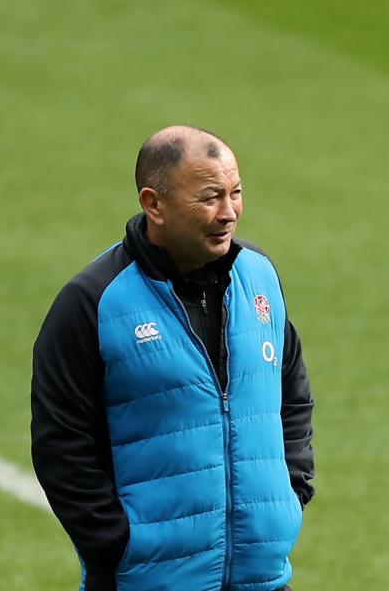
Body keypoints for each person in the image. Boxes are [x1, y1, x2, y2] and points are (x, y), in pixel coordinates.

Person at [31, 126, 314, 591]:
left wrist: (290, 492)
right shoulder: (92, 303)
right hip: (149, 580)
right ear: (153, 203)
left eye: (235, 193)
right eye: (209, 198)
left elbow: (292, 393)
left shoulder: (259, 276)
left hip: (261, 577)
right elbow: (61, 442)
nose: (229, 213)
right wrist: (116, 545)